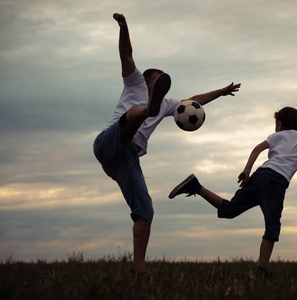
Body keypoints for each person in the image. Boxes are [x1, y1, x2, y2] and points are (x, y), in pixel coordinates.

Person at [93, 13, 241, 274]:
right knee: (131, 119)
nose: (162, 84)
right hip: (110, 141)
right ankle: (145, 111)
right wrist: (124, 28)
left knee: (145, 211)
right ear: (149, 79)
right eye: (159, 80)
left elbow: (193, 102)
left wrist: (220, 92)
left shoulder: (169, 104)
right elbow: (126, 55)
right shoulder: (134, 82)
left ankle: (139, 271)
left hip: (128, 158)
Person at [169, 106, 297, 277]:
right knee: (272, 229)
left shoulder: (275, 136)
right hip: (275, 183)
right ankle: (262, 271)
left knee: (229, 210)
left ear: (279, 124)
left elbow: (257, 149)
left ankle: (195, 186)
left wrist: (247, 171)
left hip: (259, 175)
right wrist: (295, 164)